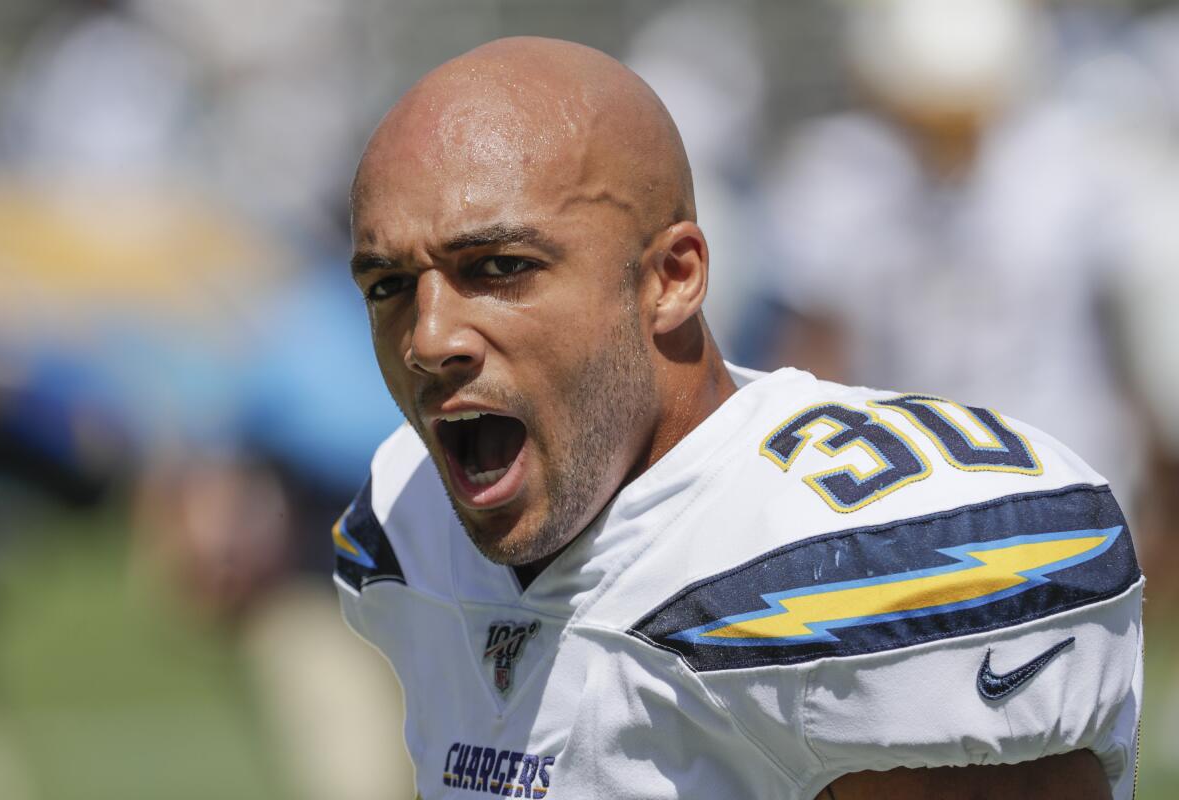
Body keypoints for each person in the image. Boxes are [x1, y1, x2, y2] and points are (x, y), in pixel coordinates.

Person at [335, 37, 1141, 799]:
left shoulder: (855, 557)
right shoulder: (406, 530)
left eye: (501, 267)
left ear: (671, 279)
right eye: (387, 285)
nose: (429, 339)